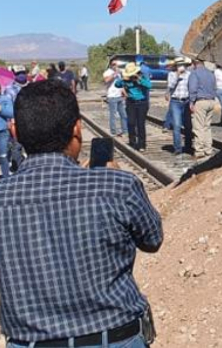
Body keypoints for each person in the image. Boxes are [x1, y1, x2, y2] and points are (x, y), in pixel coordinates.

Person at [1, 79, 162, 348]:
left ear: (14, 131)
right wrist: (113, 179)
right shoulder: (116, 186)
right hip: (116, 339)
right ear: (77, 129)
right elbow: (152, 239)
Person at [116, 62, 151, 152]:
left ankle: (141, 144)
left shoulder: (141, 77)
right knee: (131, 123)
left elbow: (149, 85)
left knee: (140, 124)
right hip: (131, 102)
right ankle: (132, 142)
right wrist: (123, 79)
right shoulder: (126, 80)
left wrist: (139, 79)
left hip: (142, 103)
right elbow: (117, 84)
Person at [186, 58, 217, 160]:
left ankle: (199, 151)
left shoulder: (194, 74)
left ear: (194, 63)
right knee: (207, 127)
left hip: (200, 101)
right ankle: (208, 149)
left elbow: (193, 89)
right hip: (211, 101)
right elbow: (215, 87)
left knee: (198, 127)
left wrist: (191, 102)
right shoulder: (211, 73)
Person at [0, 69, 28, 177]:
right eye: (19, 73)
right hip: (16, 123)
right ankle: (17, 170)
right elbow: (10, 111)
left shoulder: (29, 87)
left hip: (28, 120)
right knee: (16, 147)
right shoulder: (9, 90)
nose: (22, 75)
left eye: (23, 72)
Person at [166, 58, 192, 157]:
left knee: (188, 125)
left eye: (183, 65)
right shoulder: (171, 74)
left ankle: (188, 146)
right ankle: (177, 148)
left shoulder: (190, 75)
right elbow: (171, 86)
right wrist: (177, 75)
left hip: (186, 101)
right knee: (177, 125)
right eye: (179, 65)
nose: (181, 67)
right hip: (175, 101)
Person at [104, 61, 128, 138]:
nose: (116, 66)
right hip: (112, 96)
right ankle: (113, 131)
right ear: (111, 65)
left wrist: (125, 93)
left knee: (123, 114)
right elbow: (106, 80)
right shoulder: (107, 72)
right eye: (114, 64)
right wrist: (114, 74)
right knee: (113, 115)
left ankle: (125, 130)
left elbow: (121, 85)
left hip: (119, 96)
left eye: (117, 65)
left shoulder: (119, 73)